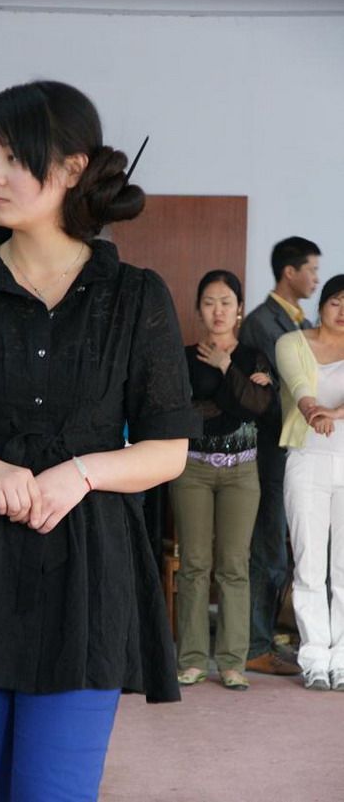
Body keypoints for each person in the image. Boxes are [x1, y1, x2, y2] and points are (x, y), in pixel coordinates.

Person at [0, 79, 201, 801]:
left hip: (87, 568)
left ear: (74, 168)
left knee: (55, 789)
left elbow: (166, 449)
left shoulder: (135, 295)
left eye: (13, 156)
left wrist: (80, 472)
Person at [170, 270, 274, 691]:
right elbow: (183, 412)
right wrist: (236, 396)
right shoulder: (181, 356)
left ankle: (232, 662)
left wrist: (227, 368)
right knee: (194, 565)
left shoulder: (253, 356)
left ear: (239, 309)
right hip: (191, 469)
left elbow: (257, 410)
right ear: (198, 308)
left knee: (234, 566)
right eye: (209, 301)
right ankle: (192, 659)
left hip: (242, 471)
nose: (218, 310)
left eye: (226, 301)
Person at [240, 236, 321, 676]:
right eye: (311, 269)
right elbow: (290, 382)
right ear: (289, 272)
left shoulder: (300, 320)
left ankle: (269, 635)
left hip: (295, 448)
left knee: (283, 548)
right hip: (270, 448)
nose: (315, 278)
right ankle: (255, 644)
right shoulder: (264, 323)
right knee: (268, 546)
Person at [276, 274, 344, 691]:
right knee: (309, 563)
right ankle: (315, 656)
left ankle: (343, 656)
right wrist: (312, 408)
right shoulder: (292, 342)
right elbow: (299, 385)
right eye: (337, 301)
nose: (343, 311)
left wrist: (333, 415)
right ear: (322, 305)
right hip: (307, 461)